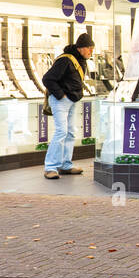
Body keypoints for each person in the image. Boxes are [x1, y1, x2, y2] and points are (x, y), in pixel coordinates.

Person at [41, 33, 93, 180]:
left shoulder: (80, 60)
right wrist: (60, 95)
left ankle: (66, 165)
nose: (91, 52)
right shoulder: (65, 60)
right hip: (61, 101)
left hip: (71, 100)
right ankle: (50, 167)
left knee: (70, 132)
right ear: (82, 48)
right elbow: (47, 79)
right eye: (89, 48)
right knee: (61, 132)